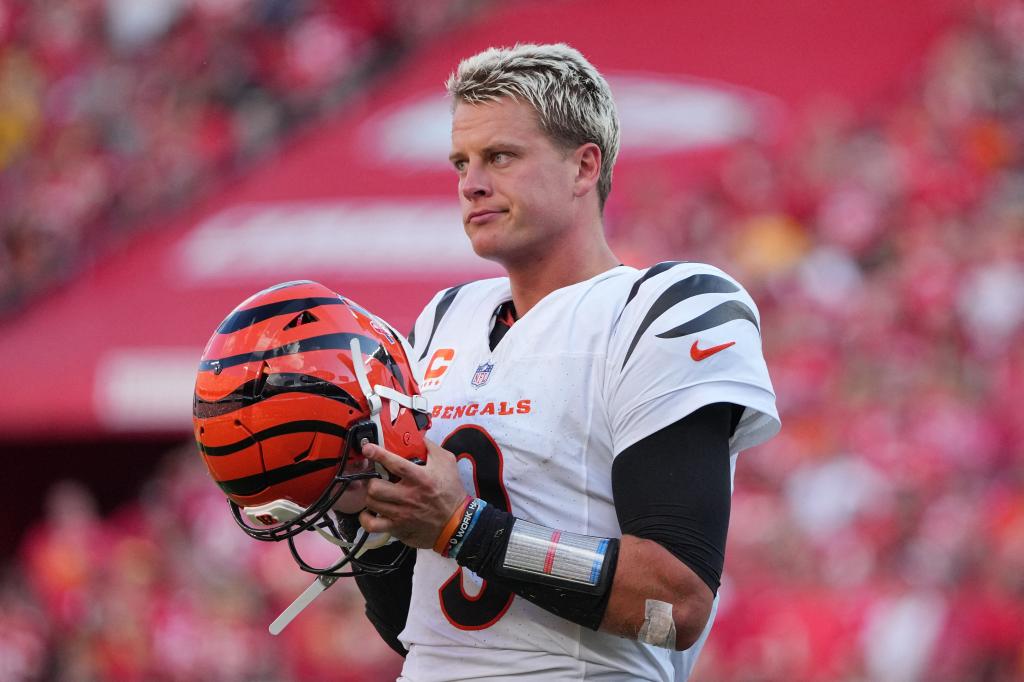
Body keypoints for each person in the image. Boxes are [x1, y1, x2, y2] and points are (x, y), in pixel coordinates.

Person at [350, 43, 780, 681]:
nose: (471, 183)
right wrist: (367, 517)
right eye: (461, 162)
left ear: (584, 168)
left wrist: (462, 527)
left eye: (500, 156)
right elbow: (417, 627)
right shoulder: (444, 318)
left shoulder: (659, 308)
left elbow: (674, 604)